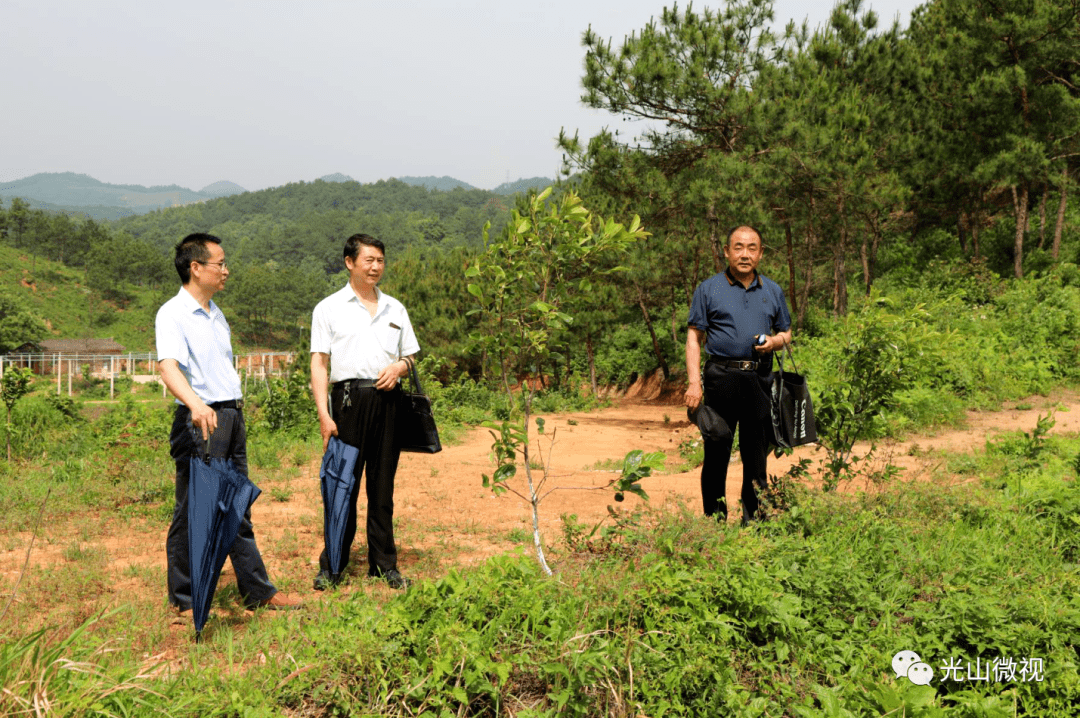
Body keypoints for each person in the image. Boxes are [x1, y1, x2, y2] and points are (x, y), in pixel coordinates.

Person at [156, 232, 302, 615]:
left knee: (238, 505)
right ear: (195, 267)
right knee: (193, 508)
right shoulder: (173, 313)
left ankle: (256, 589)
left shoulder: (215, 313)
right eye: (219, 263)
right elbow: (168, 366)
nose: (226, 270)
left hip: (230, 417)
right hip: (201, 420)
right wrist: (196, 405)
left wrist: (231, 413)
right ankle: (184, 599)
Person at [310, 234, 419, 590]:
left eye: (381, 261)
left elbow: (410, 355)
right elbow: (320, 364)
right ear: (349, 262)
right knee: (342, 486)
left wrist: (400, 367)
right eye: (369, 260)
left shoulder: (395, 308)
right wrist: (325, 414)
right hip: (348, 404)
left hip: (389, 403)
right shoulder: (328, 308)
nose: (375, 267)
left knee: (382, 488)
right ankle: (333, 566)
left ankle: (384, 565)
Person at [684, 225, 792, 524]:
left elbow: (786, 333)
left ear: (760, 253)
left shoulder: (772, 290)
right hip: (721, 378)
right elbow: (694, 338)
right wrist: (695, 383)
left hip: (759, 379)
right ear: (727, 252)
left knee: (756, 455)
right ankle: (713, 521)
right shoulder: (709, 289)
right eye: (739, 247)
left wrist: (774, 342)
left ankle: (754, 521)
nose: (745, 254)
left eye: (752, 248)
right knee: (717, 452)